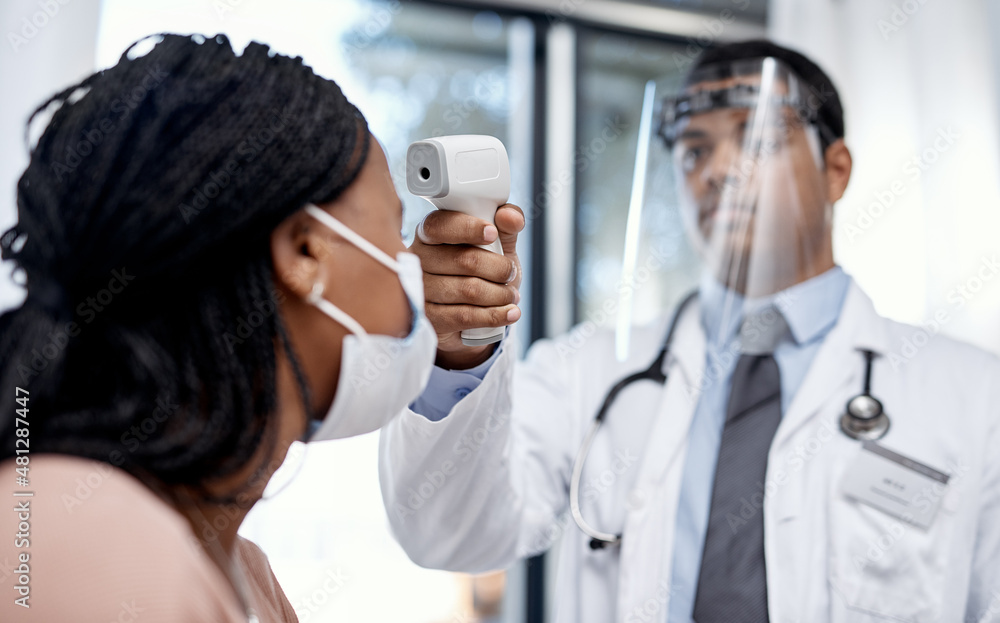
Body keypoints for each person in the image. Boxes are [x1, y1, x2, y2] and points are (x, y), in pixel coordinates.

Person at [379, 40, 1000, 622]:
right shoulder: (585, 370)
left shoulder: (976, 398)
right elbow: (449, 533)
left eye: (756, 139)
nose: (720, 171)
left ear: (836, 171)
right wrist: (457, 353)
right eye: (696, 149)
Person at [0, 33, 464, 622]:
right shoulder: (89, 545)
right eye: (394, 230)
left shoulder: (246, 576)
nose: (411, 267)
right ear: (304, 250)